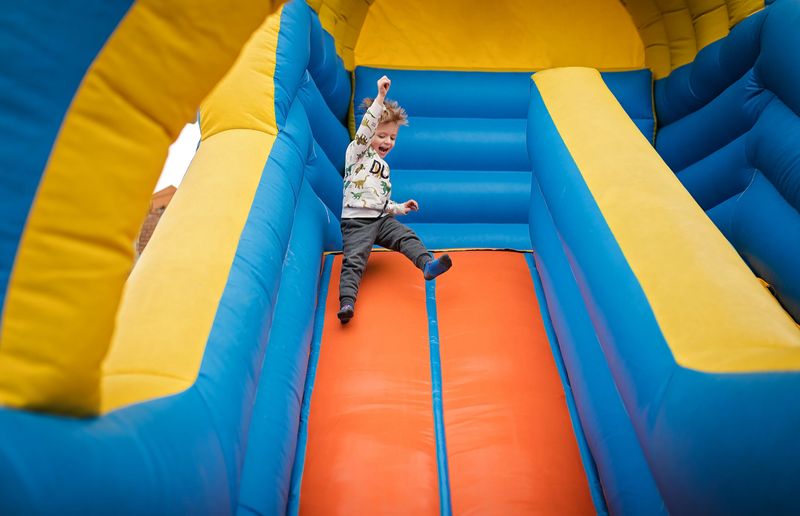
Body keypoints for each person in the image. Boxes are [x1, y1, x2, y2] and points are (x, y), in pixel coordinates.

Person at [337, 75, 452, 324]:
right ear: (368, 137)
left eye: (392, 138)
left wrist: (399, 208)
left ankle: (427, 265)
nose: (387, 141)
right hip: (356, 222)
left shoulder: (383, 168)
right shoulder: (356, 153)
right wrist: (380, 97)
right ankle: (347, 301)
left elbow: (380, 201)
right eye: (382, 135)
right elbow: (366, 128)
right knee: (355, 261)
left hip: (379, 219)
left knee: (406, 236)